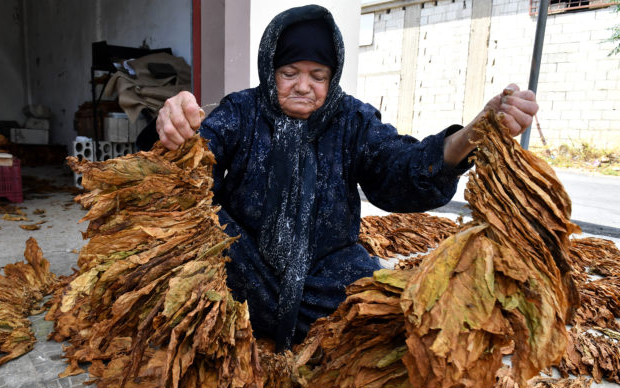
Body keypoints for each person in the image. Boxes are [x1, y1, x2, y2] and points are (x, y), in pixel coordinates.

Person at [156, 4, 539, 351]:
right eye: (289, 73)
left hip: (326, 275)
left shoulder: (353, 120)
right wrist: (176, 128)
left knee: (401, 320)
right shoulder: (242, 110)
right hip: (243, 265)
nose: (303, 85)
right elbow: (193, 159)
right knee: (194, 244)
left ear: (333, 75)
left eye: (317, 75)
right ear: (269, 70)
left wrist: (472, 134)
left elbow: (400, 167)